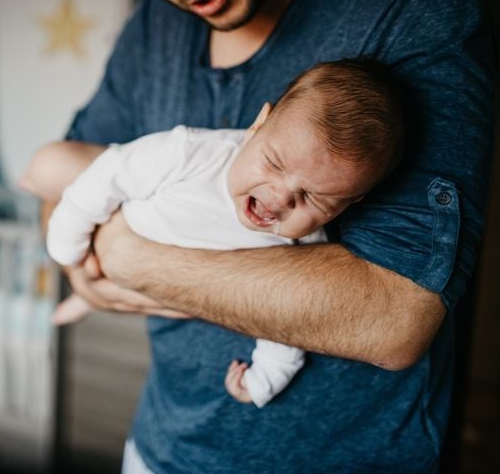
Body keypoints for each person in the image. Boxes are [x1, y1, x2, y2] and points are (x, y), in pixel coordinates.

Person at [44, 0, 496, 471]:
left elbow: (394, 319)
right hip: (163, 448)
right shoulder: (152, 28)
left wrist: (123, 254)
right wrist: (74, 260)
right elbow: (64, 180)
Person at [23, 59, 404, 408]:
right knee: (55, 167)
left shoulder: (303, 244)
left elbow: (286, 317)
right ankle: (88, 291)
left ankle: (91, 296)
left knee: (133, 285)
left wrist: (266, 378)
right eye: (273, 163)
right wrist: (67, 243)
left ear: (347, 204)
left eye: (313, 198)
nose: (280, 197)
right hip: (128, 217)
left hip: (166, 281)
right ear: (258, 126)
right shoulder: (194, 152)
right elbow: (112, 174)